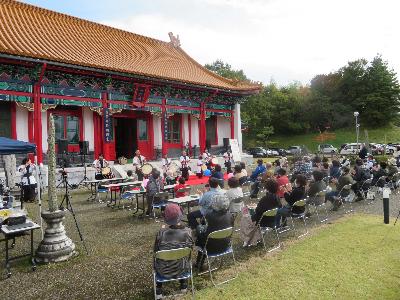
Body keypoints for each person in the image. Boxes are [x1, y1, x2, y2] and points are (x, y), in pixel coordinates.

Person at [154, 203, 193, 299]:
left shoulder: (161, 233)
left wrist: (162, 231)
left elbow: (156, 250)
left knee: (159, 257)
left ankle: (159, 290)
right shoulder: (188, 232)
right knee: (181, 256)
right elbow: (190, 248)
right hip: (182, 269)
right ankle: (183, 285)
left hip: (163, 271)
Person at [194, 192, 232, 269]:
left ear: (214, 203)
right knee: (205, 233)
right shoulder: (229, 214)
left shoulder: (209, 215)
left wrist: (198, 229)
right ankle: (199, 263)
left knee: (199, 231)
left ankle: (199, 264)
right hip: (226, 244)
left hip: (210, 247)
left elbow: (203, 228)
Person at [240, 179, 282, 247]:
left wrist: (253, 208)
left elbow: (257, 211)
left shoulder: (265, 199)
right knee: (247, 214)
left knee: (244, 217)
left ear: (267, 188)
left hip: (262, 221)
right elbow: (278, 207)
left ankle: (247, 240)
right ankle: (254, 238)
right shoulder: (277, 197)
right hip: (272, 220)